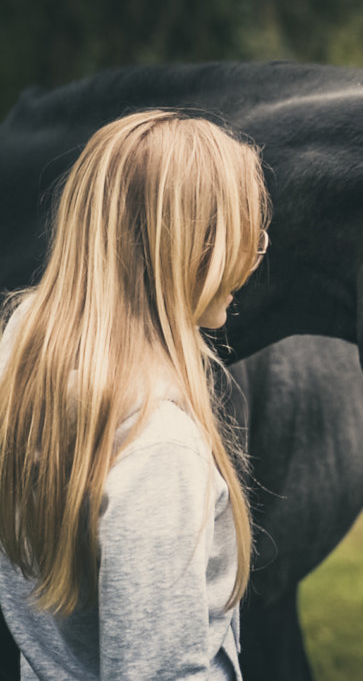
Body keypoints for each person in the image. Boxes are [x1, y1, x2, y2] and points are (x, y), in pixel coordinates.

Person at [0, 110, 269, 679]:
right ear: (191, 247)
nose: (256, 253)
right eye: (247, 234)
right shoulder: (161, 451)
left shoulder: (25, 360)